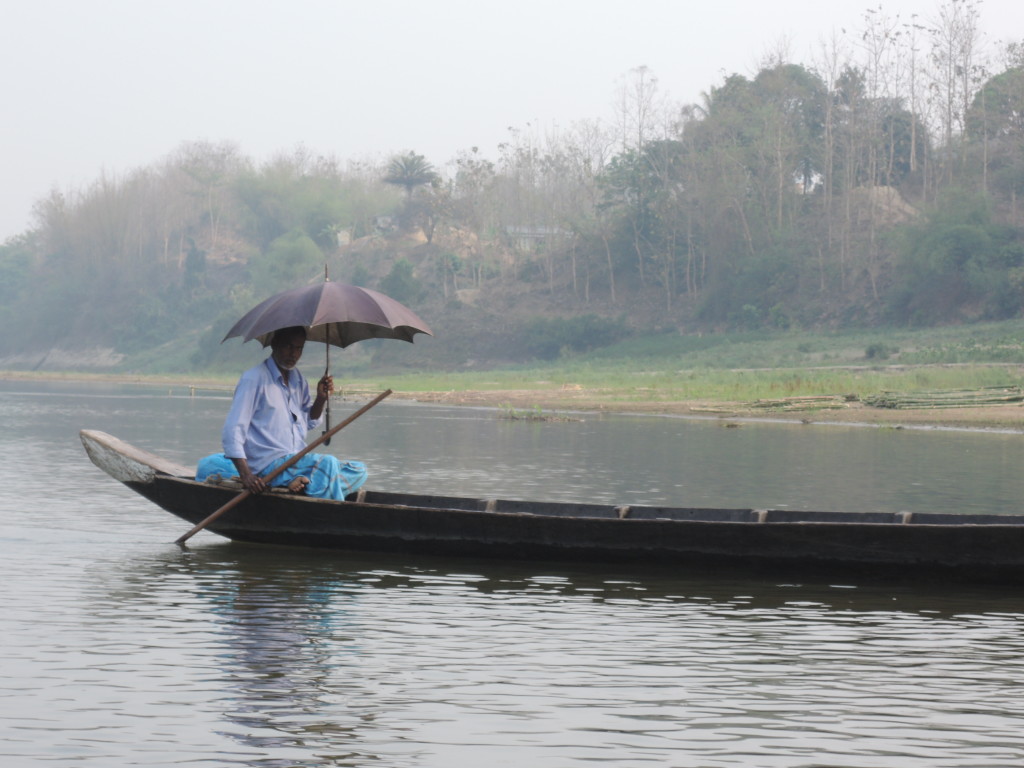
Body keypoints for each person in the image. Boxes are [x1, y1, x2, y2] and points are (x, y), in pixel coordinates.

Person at [195, 325, 368, 500]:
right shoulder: (254, 379)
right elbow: (233, 430)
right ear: (274, 344)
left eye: (299, 348)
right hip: (268, 466)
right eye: (288, 346)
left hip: (295, 462)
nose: (293, 354)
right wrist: (246, 475)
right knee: (328, 464)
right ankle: (322, 503)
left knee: (358, 469)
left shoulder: (298, 380)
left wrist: (321, 398)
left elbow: (308, 421)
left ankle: (301, 483)